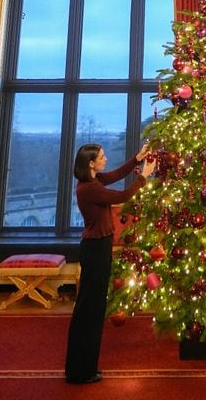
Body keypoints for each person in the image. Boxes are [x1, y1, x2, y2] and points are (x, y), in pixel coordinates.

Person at [65, 141, 156, 384]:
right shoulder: (89, 189)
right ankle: (80, 371)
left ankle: (83, 368)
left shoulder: (94, 181)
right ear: (91, 163)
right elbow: (122, 196)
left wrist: (138, 158)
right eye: (102, 157)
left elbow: (116, 175)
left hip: (99, 247)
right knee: (90, 311)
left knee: (93, 310)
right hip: (95, 250)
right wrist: (144, 176)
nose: (106, 159)